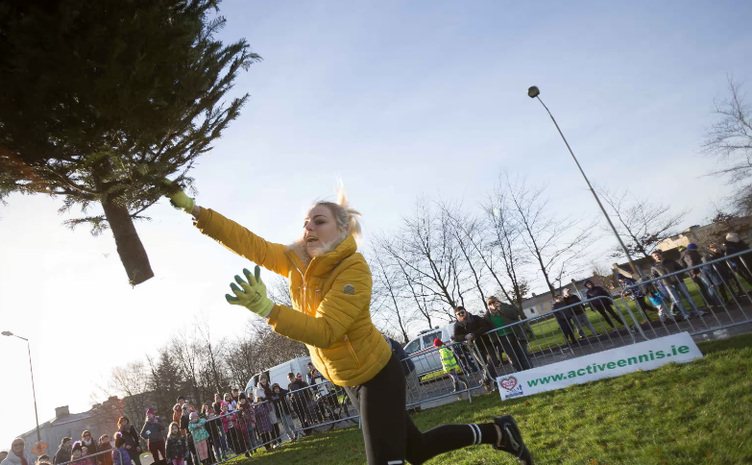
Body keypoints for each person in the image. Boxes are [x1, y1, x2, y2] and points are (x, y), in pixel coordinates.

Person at [165, 185, 532, 464]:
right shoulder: (295, 260)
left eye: (318, 221)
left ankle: (498, 431)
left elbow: (326, 331)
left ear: (342, 229)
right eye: (305, 222)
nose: (308, 227)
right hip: (346, 377)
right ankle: (498, 431)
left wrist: (268, 309)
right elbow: (252, 244)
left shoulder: (353, 269)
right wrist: (196, 210)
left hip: (376, 373)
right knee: (416, 450)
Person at [450, 306, 498, 391]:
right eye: (459, 314)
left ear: (466, 311)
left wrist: (474, 334)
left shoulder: (475, 318)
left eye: (462, 312)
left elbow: (486, 327)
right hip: (473, 348)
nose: (461, 314)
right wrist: (465, 336)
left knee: (492, 361)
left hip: (486, 344)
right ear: (456, 315)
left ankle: (485, 381)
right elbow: (456, 337)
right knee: (485, 366)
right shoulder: (457, 325)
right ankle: (495, 384)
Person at [650, 250, 705, 319]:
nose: (657, 256)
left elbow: (680, 269)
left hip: (679, 281)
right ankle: (685, 314)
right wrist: (662, 280)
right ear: (653, 258)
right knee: (677, 300)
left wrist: (679, 276)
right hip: (668, 284)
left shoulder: (670, 261)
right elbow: (654, 276)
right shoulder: (654, 266)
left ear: (661, 254)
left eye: (657, 254)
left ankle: (697, 311)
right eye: (655, 256)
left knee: (688, 296)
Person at [485, 297, 531, 372]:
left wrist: (501, 307)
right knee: (513, 359)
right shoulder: (487, 315)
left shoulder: (507, 306)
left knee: (523, 356)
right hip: (503, 339)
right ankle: (520, 376)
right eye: (490, 303)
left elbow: (514, 314)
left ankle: (530, 373)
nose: (492, 304)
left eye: (494, 302)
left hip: (516, 335)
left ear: (498, 301)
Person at [384, 335, 420, 403]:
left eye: (385, 341)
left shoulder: (395, 344)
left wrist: (392, 362)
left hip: (408, 369)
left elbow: (402, 355)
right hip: (398, 373)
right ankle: (409, 407)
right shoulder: (383, 349)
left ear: (388, 339)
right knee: (404, 390)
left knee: (414, 387)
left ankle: (417, 405)